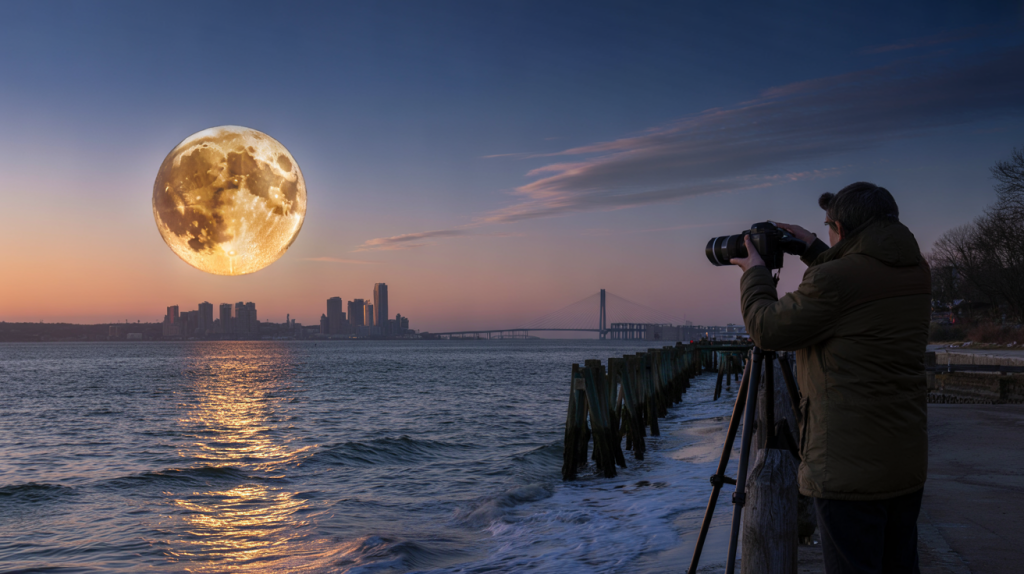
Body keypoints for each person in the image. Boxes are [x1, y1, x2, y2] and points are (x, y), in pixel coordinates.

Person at [729, 182, 931, 573]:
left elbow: (767, 329)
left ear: (840, 226)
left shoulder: (835, 281)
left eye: (828, 227)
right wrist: (813, 249)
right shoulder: (916, 270)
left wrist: (754, 274)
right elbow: (859, 284)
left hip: (847, 468)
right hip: (903, 460)